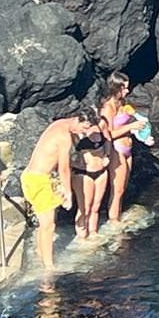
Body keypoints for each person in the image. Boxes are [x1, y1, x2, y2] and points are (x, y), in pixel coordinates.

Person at [21, 111, 103, 267]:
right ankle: (49, 267)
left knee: (43, 221)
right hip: (38, 180)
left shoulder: (60, 123)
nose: (84, 133)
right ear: (78, 120)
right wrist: (68, 192)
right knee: (49, 225)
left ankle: (40, 252)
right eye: (84, 128)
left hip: (32, 176)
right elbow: (63, 168)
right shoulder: (64, 136)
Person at [100, 73, 149, 227]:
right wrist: (131, 126)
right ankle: (113, 221)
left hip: (128, 148)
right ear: (116, 88)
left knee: (123, 188)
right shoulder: (108, 107)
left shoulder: (122, 103)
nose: (128, 91)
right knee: (118, 189)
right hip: (117, 149)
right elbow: (109, 134)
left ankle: (117, 215)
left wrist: (140, 133)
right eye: (125, 88)